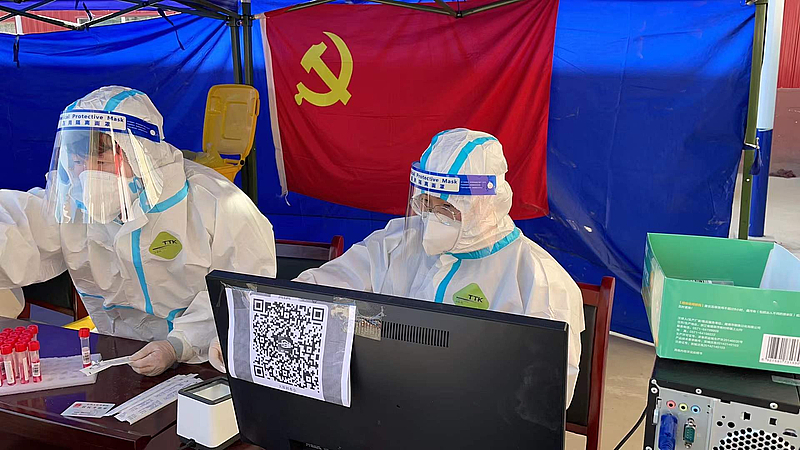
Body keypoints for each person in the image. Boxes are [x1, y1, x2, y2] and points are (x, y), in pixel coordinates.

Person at [0, 86, 277, 376]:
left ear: (141, 154)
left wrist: (178, 344)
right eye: (79, 163)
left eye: (102, 162)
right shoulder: (72, 204)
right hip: (121, 354)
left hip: (211, 358)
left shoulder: (216, 203)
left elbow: (241, 290)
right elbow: (19, 227)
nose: (87, 177)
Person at [296, 128, 585, 406]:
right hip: (388, 405)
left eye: (446, 208)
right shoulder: (395, 243)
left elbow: (543, 400)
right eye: (426, 202)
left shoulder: (539, 281)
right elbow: (315, 290)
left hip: (475, 420)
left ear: (485, 205)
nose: (431, 219)